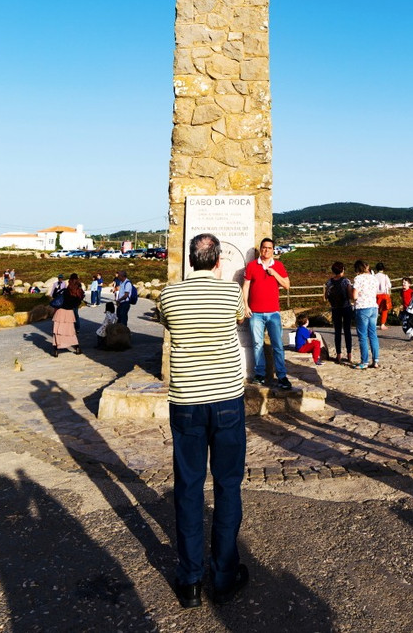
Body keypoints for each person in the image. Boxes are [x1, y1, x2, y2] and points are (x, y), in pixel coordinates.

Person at [159, 233, 249, 608]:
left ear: (190, 261)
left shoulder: (168, 295)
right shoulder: (230, 293)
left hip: (186, 400)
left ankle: (191, 579)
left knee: (188, 487)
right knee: (228, 484)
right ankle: (224, 574)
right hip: (227, 398)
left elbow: (167, 323)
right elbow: (241, 317)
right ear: (217, 261)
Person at [242, 237, 291, 389]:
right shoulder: (251, 266)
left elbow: (287, 285)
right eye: (264, 247)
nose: (266, 250)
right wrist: (245, 306)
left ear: (273, 250)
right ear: (260, 249)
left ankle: (282, 376)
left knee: (277, 345)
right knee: (257, 344)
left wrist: (274, 273)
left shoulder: (279, 266)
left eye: (269, 248)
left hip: (273, 313)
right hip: (255, 313)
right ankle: (260, 375)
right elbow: (245, 286)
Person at [352, 260, 380, 369]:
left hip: (362, 307)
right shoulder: (374, 278)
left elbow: (354, 296)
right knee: (373, 334)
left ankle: (364, 362)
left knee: (362, 336)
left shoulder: (358, 279)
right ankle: (376, 360)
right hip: (373, 306)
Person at [324, 261, 353, 365]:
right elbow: (350, 295)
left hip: (335, 309)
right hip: (346, 308)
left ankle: (338, 355)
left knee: (337, 332)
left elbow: (326, 296)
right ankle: (349, 354)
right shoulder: (346, 281)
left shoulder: (329, 282)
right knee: (347, 332)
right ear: (343, 270)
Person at [52, 274, 84, 357]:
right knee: (71, 332)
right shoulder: (79, 293)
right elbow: (78, 302)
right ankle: (77, 348)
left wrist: (57, 288)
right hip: (69, 313)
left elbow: (54, 296)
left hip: (60, 312)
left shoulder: (66, 291)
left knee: (57, 331)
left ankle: (56, 350)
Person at [374, 262, 393, 329]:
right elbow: (389, 285)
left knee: (375, 310)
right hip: (384, 295)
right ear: (383, 269)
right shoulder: (385, 276)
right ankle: (382, 324)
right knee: (384, 310)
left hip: (375, 295)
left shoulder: (374, 276)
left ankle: (373, 323)